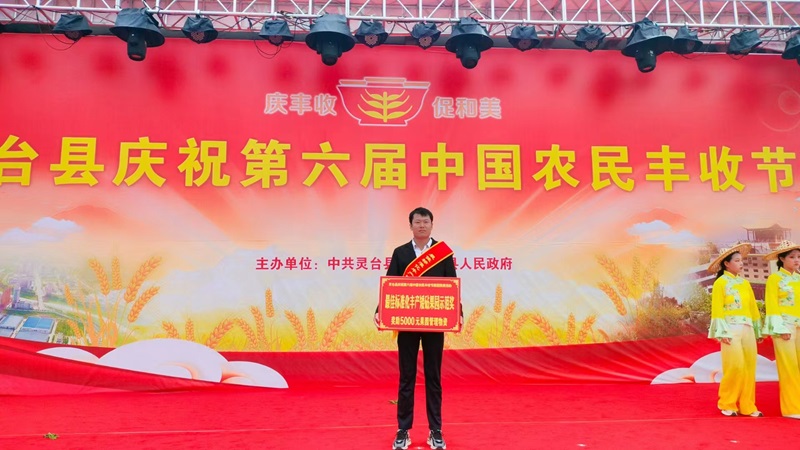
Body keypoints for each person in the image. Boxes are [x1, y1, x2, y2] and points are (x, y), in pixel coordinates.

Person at [375, 207, 458, 450]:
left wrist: (458, 313)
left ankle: (436, 430)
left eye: (426, 222)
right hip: (407, 323)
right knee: (407, 377)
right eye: (418, 222)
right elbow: (390, 285)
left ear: (432, 225)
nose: (422, 225)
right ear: (410, 225)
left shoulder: (442, 253)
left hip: (434, 323)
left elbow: (451, 285)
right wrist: (380, 310)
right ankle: (403, 430)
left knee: (433, 377)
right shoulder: (400, 253)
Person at [707, 242, 763, 417]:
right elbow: (717, 309)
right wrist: (722, 331)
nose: (741, 263)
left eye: (741, 260)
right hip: (730, 328)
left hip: (747, 328)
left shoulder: (744, 283)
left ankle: (748, 405)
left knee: (749, 367)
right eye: (737, 261)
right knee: (735, 366)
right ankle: (727, 403)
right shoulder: (720, 283)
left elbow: (753, 308)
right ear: (726, 263)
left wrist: (757, 330)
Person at [763, 240, 800, 419]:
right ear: (782, 259)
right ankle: (792, 408)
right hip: (784, 327)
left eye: (798, 257)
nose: (797, 260)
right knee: (789, 368)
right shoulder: (774, 279)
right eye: (792, 257)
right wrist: (780, 327)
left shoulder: (799, 278)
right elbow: (771, 305)